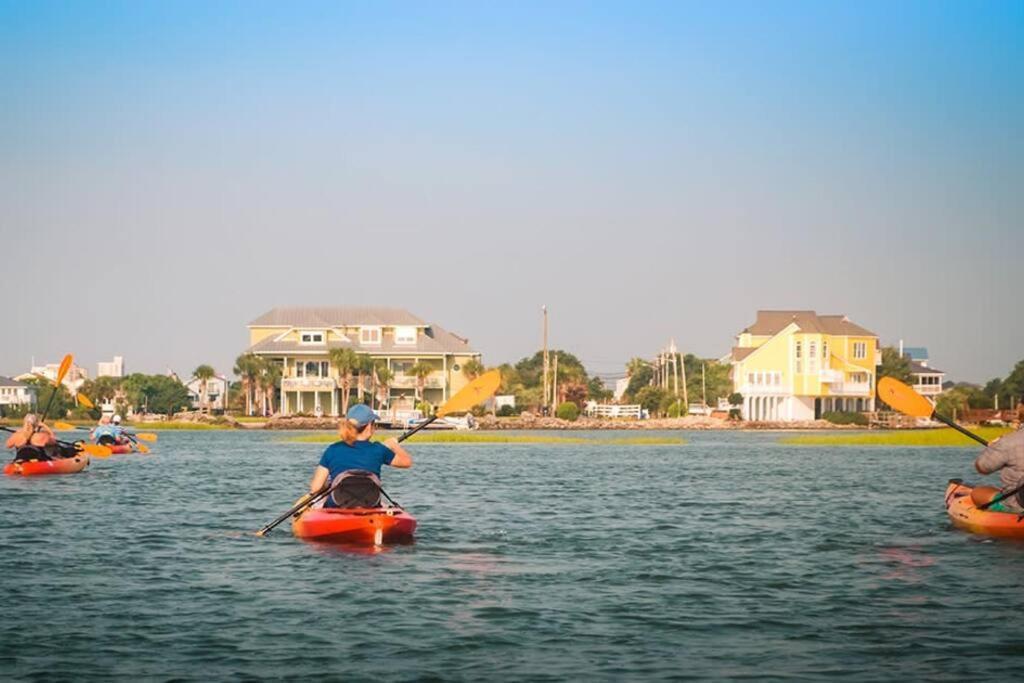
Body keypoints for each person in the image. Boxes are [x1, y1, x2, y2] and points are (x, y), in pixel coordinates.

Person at [308, 404, 412, 508]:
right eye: (374, 424)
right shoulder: (379, 449)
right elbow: (407, 462)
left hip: (336, 505)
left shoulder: (333, 450)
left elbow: (315, 488)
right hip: (370, 505)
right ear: (368, 427)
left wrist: (328, 485)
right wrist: (394, 445)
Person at [972, 428, 1024, 512]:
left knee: (977, 492)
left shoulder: (1008, 441)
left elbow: (983, 467)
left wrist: (993, 448)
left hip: (1016, 505)